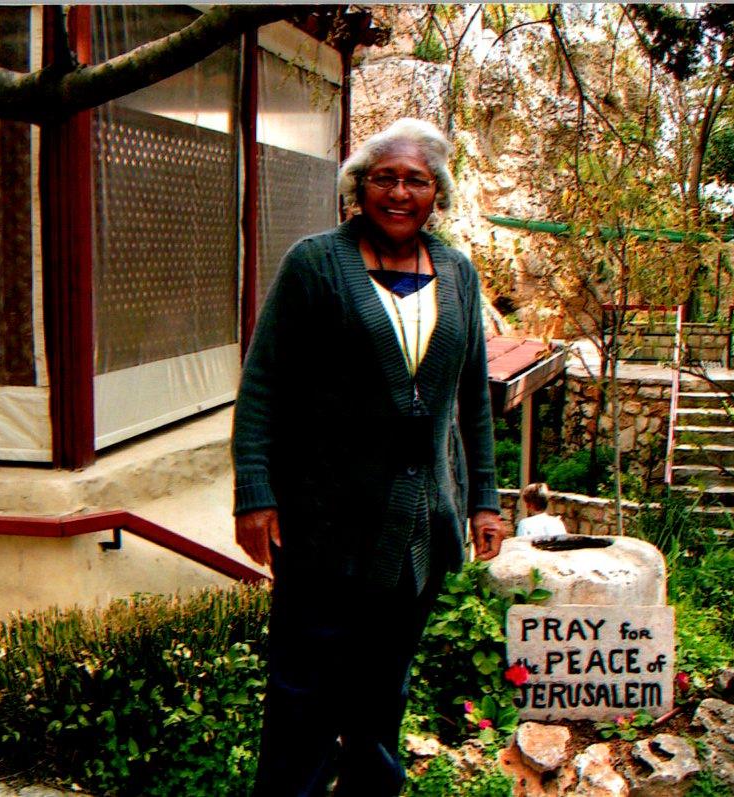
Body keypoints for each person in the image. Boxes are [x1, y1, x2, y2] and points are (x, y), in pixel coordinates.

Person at [232, 118, 508, 797]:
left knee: (381, 697)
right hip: (322, 525)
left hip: (417, 529)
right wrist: (254, 493)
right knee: (303, 693)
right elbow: (263, 383)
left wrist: (485, 500)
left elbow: (471, 397)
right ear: (359, 187)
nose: (398, 192)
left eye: (415, 180)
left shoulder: (458, 273)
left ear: (435, 194)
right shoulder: (315, 264)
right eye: (384, 177)